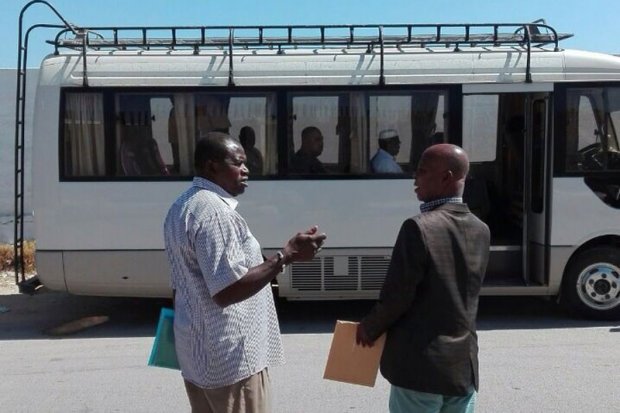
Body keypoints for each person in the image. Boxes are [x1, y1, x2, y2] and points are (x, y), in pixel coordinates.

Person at [163, 131, 327, 413]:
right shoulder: (215, 213)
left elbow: (192, 279)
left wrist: (280, 257)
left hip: (197, 355)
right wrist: (286, 256)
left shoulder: (183, 205)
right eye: (238, 163)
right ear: (213, 166)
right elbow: (227, 289)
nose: (246, 169)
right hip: (231, 362)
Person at [356, 144, 490, 413]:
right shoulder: (481, 229)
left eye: (422, 171)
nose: (414, 179)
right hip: (463, 368)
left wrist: (369, 328)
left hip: (419, 369)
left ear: (446, 177)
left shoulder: (419, 227)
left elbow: (398, 295)